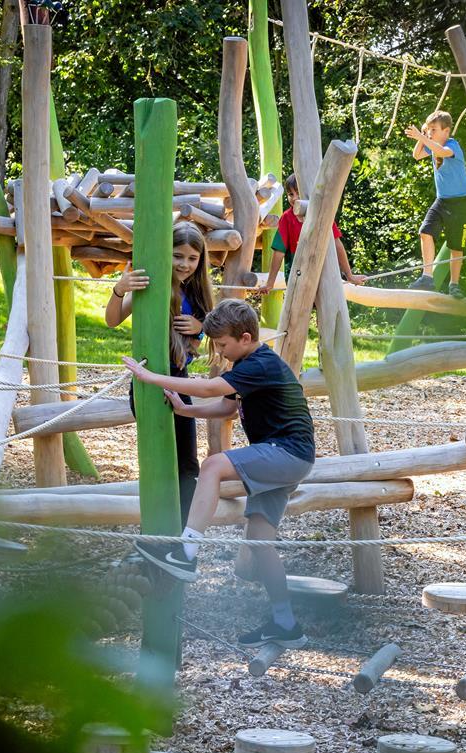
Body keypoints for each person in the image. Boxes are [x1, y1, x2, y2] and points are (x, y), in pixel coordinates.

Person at [123, 299, 316, 649]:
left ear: (245, 338)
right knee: (260, 541)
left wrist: (150, 377)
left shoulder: (260, 363)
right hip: (287, 456)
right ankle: (286, 623)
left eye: (223, 345)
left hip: (286, 452)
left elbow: (212, 388)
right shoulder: (247, 363)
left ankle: (186, 553)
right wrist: (185, 411)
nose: (221, 352)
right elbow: (227, 406)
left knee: (212, 465)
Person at [105, 220, 213, 527]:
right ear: (167, 253)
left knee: (188, 464)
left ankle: (181, 532)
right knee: (160, 463)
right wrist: (119, 289)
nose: (185, 264)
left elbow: (210, 338)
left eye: (192, 258)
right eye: (178, 255)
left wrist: (201, 327)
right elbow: (112, 319)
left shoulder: (196, 292)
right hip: (148, 383)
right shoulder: (151, 284)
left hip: (179, 382)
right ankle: (157, 532)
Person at [404, 110, 466, 299]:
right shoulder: (431, 144)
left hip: (462, 203)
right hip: (442, 200)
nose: (430, 133)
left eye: (433, 130)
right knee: (425, 232)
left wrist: (421, 136)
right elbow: (416, 155)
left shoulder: (452, 146)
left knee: (456, 246)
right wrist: (422, 136)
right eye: (429, 130)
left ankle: (454, 284)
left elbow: (442, 152)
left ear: (446, 131)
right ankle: (427, 277)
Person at [261, 174, 367, 294]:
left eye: (298, 193)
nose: (294, 198)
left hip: (324, 274)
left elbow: (337, 244)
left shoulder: (323, 213)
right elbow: (279, 252)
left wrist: (349, 275)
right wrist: (270, 283)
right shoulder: (286, 218)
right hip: (297, 276)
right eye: (291, 194)